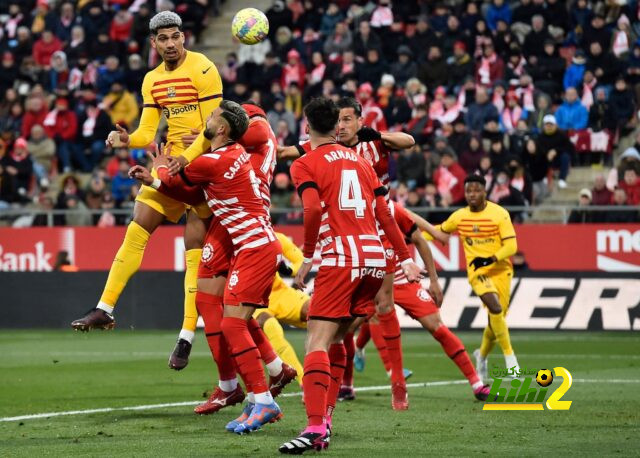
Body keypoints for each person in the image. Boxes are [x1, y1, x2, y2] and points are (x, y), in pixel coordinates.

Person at [70, 11, 224, 370]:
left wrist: (185, 158)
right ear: (153, 43)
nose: (170, 44)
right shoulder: (152, 80)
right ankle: (105, 309)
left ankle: (186, 336)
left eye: (175, 37)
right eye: (162, 39)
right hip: (170, 162)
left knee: (193, 251)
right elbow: (146, 132)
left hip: (202, 166)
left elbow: (216, 129)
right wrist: (126, 139)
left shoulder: (204, 69)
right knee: (137, 226)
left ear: (184, 37)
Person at [131, 100, 286, 433]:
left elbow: (179, 181)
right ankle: (262, 390)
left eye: (213, 116)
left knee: (232, 325)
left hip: (255, 248)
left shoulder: (215, 160)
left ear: (224, 128)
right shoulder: (232, 156)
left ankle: (263, 400)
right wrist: (156, 180)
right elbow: (186, 188)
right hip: (254, 245)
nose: (208, 118)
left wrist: (159, 168)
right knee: (232, 319)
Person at [279, 97, 421, 454]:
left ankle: (313, 428)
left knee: (316, 341)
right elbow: (385, 214)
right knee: (339, 338)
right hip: (375, 258)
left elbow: (311, 209)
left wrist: (309, 256)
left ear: (308, 126)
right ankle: (325, 420)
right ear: (335, 125)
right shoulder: (361, 160)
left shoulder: (305, 162)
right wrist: (404, 259)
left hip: (341, 257)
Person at [429, 174, 520, 383]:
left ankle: (482, 355)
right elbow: (438, 231)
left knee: (495, 321)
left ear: (484, 192)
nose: (472, 194)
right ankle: (510, 359)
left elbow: (512, 246)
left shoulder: (499, 214)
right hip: (477, 273)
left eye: (476, 190)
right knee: (495, 309)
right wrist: (411, 234)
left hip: (501, 271)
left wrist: (490, 259)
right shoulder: (459, 216)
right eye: (469, 190)